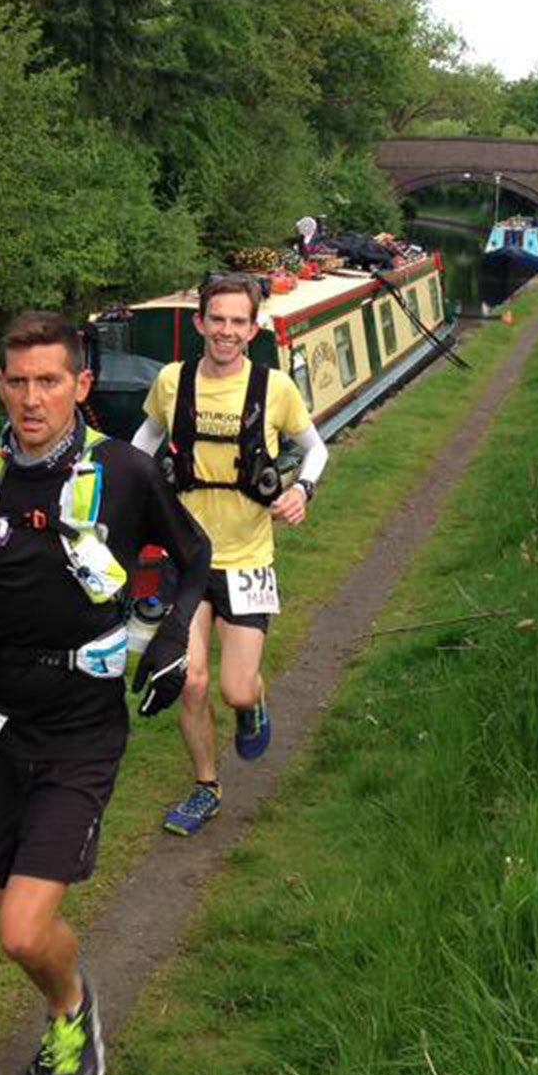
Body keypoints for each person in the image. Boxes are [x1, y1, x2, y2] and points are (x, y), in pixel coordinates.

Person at [0, 310, 210, 1075]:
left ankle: (74, 1010)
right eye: (17, 381)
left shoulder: (123, 473)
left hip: (79, 727)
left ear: (79, 385)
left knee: (22, 931)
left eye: (48, 381)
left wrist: (175, 634)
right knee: (8, 905)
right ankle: (59, 1000)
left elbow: (195, 556)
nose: (31, 399)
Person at [132, 273, 327, 837]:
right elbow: (144, 442)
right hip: (186, 559)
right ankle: (205, 787)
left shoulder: (276, 389)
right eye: (216, 318)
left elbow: (315, 450)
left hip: (247, 561)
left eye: (238, 321)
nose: (226, 330)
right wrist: (129, 491)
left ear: (253, 328)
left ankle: (253, 702)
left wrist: (300, 490)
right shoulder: (172, 382)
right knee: (190, 681)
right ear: (200, 323)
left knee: (234, 687)